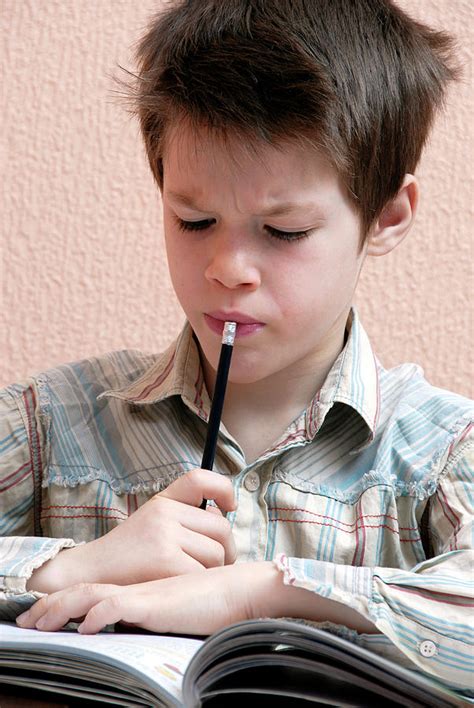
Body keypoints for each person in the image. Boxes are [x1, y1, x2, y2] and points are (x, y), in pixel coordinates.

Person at [2, 0, 472, 695]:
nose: (228, 268)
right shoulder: (51, 423)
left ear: (386, 217)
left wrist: (264, 593)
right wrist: (71, 567)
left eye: (282, 232)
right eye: (194, 221)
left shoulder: (442, 453)